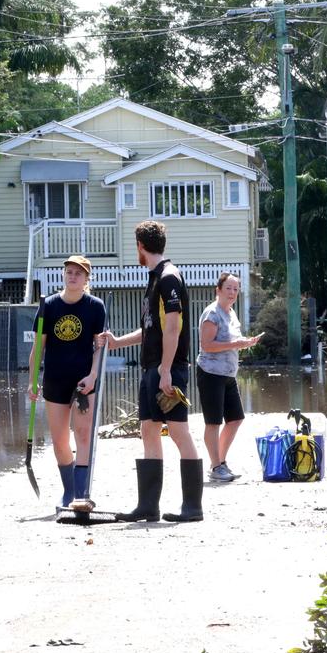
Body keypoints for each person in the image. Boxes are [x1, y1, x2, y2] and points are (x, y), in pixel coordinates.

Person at [104, 220, 203, 522]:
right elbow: (152, 328)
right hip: (152, 369)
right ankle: (149, 505)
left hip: (168, 369)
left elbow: (173, 328)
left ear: (141, 246)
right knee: (148, 429)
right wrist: (118, 343)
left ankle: (192, 507)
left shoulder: (170, 278)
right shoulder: (154, 279)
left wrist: (166, 370)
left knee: (178, 431)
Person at [27, 255, 107, 508]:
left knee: (83, 435)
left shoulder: (95, 306)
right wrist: (32, 381)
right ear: (64, 275)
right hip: (54, 380)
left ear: (86, 279)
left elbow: (99, 346)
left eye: (78, 273)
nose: (73, 276)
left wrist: (93, 374)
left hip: (84, 382)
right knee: (60, 441)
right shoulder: (49, 306)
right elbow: (38, 348)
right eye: (69, 272)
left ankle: (82, 494)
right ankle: (69, 491)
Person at [196, 272, 261, 482]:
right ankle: (216, 467)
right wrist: (236, 344)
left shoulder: (231, 313)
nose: (232, 292)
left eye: (235, 289)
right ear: (218, 290)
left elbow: (232, 340)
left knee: (236, 419)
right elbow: (207, 345)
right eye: (228, 288)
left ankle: (221, 462)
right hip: (210, 373)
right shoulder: (211, 313)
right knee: (213, 422)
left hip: (228, 374)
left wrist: (246, 342)